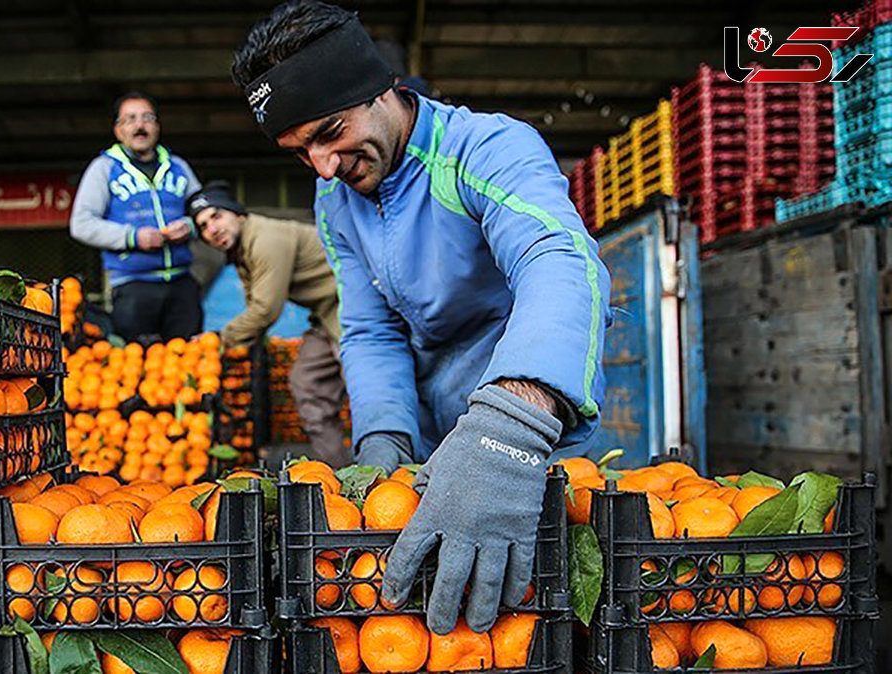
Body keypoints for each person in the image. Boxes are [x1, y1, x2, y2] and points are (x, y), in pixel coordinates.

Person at [232, 1, 611, 636]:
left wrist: (510, 427)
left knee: (525, 615)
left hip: (522, 434)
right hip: (435, 444)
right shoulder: (336, 200)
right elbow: (370, 327)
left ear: (381, 90)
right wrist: (384, 440)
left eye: (330, 132)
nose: (324, 166)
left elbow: (558, 259)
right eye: (300, 152)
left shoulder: (486, 147)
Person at [187, 180, 349, 468]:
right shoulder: (241, 254)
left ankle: (391, 471)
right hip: (324, 315)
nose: (211, 229)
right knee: (307, 382)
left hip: (351, 305)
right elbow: (255, 310)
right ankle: (339, 472)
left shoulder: (265, 239)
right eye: (202, 226)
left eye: (216, 216)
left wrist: (218, 339)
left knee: (364, 383)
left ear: (237, 213)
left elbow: (265, 310)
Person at [69, 91, 204, 341]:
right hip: (132, 286)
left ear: (157, 126)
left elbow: (203, 210)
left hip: (182, 284)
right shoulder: (104, 168)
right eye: (130, 119)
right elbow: (81, 224)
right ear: (118, 130)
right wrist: (133, 237)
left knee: (191, 363)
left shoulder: (179, 166)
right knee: (136, 367)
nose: (139, 125)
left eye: (147, 118)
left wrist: (190, 226)